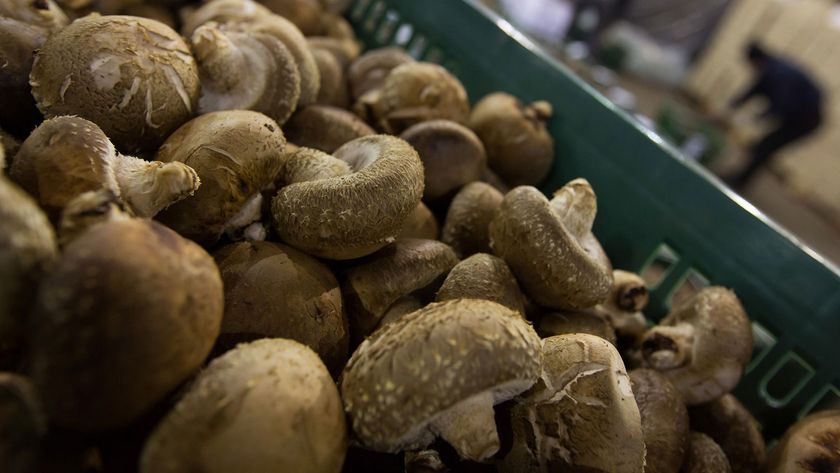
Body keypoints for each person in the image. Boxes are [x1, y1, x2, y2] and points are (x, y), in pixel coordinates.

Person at [727, 42, 824, 188]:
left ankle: (740, 181)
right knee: (764, 146)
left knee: (765, 146)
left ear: (755, 60)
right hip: (799, 117)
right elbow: (755, 89)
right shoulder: (772, 67)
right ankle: (740, 179)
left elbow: (783, 103)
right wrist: (734, 105)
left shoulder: (776, 72)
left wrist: (758, 117)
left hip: (805, 120)